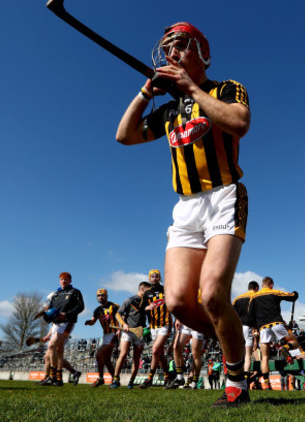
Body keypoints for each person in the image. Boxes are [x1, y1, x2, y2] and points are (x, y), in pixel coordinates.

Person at [116, 21, 251, 408]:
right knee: (176, 302)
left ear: (201, 52)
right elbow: (124, 135)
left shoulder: (226, 88)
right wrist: (146, 93)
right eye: (167, 48)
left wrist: (191, 88)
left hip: (225, 195)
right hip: (186, 206)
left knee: (211, 293)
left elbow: (239, 123)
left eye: (179, 46)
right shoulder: (171, 109)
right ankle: (234, 344)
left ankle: (236, 381)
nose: (171, 54)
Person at [248, 276, 303, 390]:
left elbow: (250, 314)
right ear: (271, 284)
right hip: (277, 323)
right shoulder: (274, 292)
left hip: (263, 327)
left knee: (265, 357)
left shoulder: (254, 296)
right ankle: (285, 348)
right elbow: (292, 297)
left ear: (262, 285)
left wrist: (255, 327)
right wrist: (295, 293)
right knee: (294, 341)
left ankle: (267, 384)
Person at [42, 272, 84, 386]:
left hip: (67, 322)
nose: (63, 281)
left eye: (66, 279)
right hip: (56, 324)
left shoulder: (75, 292)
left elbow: (80, 307)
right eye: (61, 279)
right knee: (57, 351)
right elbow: (49, 312)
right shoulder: (55, 294)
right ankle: (59, 379)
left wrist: (66, 314)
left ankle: (52, 377)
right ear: (59, 281)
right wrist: (46, 311)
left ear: (70, 280)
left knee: (52, 346)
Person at [111, 281, 150, 389]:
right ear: (143, 289)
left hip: (140, 333)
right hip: (127, 332)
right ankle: (115, 379)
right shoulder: (130, 300)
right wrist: (123, 324)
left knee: (136, 358)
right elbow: (118, 313)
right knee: (123, 354)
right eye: (148, 290)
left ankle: (131, 382)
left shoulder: (148, 302)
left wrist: (149, 327)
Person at [139, 269, 174, 388]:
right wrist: (148, 308)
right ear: (149, 278)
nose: (154, 278)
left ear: (160, 278)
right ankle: (167, 377)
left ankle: (149, 379)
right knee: (159, 353)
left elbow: (174, 305)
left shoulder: (166, 290)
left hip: (165, 323)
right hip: (153, 326)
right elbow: (141, 309)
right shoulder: (147, 293)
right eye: (152, 276)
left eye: (156, 276)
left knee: (154, 351)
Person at [84, 289, 120, 387]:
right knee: (107, 360)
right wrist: (89, 323)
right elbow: (93, 321)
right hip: (105, 335)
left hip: (114, 334)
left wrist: (120, 329)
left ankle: (100, 378)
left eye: (102, 295)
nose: (100, 297)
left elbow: (122, 317)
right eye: (99, 296)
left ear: (106, 296)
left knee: (99, 355)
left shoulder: (114, 306)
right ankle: (116, 380)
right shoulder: (97, 310)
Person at [166, 319, 205, 389]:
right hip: (186, 322)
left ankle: (194, 382)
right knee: (176, 347)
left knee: (195, 354)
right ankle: (180, 378)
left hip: (198, 322)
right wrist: (178, 319)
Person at [232, 281, 260, 380]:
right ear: (256, 288)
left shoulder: (237, 298)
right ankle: (245, 376)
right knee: (248, 355)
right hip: (247, 327)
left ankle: (235, 375)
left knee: (238, 354)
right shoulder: (256, 297)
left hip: (236, 327)